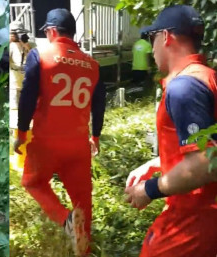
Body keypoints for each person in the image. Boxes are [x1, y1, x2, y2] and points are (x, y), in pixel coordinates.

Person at [124, 5, 217, 257]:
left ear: (165, 37)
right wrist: (159, 161)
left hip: (192, 220)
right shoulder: (208, 77)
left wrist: (149, 189)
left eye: (151, 38)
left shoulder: (184, 87)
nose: (152, 48)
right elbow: (210, 145)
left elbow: (205, 164)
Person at [13, 8, 106, 256]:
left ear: (52, 31)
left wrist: (21, 134)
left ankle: (65, 220)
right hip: (78, 144)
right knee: (82, 199)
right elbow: (99, 104)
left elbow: (28, 99)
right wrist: (95, 136)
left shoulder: (39, 56)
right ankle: (84, 248)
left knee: (32, 181)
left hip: (46, 143)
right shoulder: (92, 65)